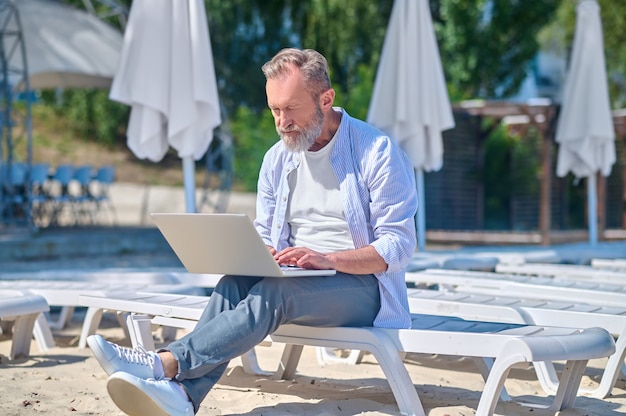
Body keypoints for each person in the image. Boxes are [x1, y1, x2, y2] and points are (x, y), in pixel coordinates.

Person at [87, 47, 418, 416]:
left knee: (275, 292)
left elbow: (399, 246)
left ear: (326, 99)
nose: (281, 121)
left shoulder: (378, 152)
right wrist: (250, 252)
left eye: (291, 108)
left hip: (365, 289)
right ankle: (182, 397)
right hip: (299, 280)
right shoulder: (277, 159)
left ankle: (162, 364)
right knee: (233, 282)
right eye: (274, 109)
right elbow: (266, 233)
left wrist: (326, 258)